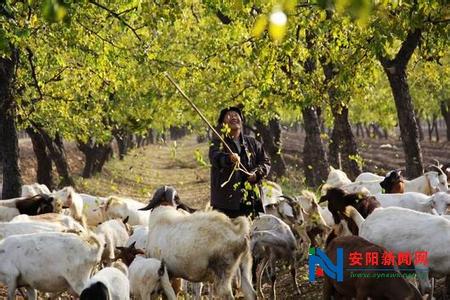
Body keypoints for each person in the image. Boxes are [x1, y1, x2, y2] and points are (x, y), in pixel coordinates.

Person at [209, 106, 271, 218]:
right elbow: (215, 158)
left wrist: (256, 174)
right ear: (223, 124)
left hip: (251, 202)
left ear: (241, 121)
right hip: (226, 205)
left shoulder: (252, 143)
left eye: (236, 115)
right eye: (229, 115)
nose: (233, 117)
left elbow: (265, 162)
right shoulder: (218, 143)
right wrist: (229, 158)